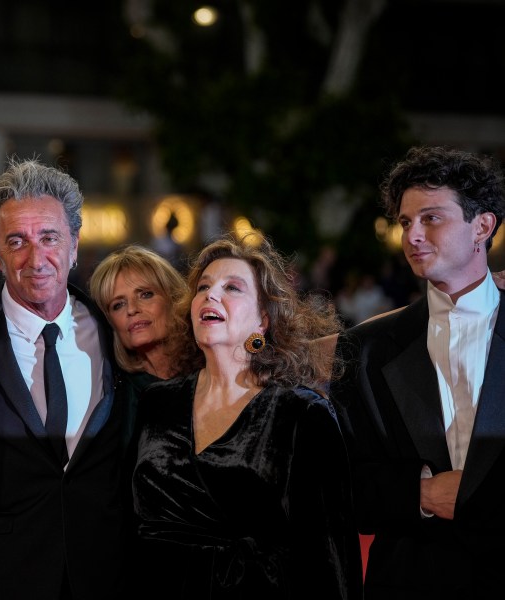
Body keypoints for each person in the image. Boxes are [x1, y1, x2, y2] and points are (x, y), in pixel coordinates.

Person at [132, 234, 363, 599]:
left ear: (263, 321)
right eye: (203, 287)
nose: (210, 295)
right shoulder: (156, 403)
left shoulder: (302, 413)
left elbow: (331, 557)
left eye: (233, 287)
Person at [330, 145, 505, 599]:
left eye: (431, 218)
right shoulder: (366, 347)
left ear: (482, 226)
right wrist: (420, 495)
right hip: (412, 581)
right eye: (405, 222)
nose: (412, 236)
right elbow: (341, 481)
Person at [0, 158, 124, 600]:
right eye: (17, 241)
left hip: (107, 570)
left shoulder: (116, 328)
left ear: (75, 244)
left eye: (49, 238)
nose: (36, 257)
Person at [88, 244, 203, 445]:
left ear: (174, 299)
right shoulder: (112, 399)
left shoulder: (212, 371)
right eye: (118, 305)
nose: (132, 309)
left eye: (145, 294)